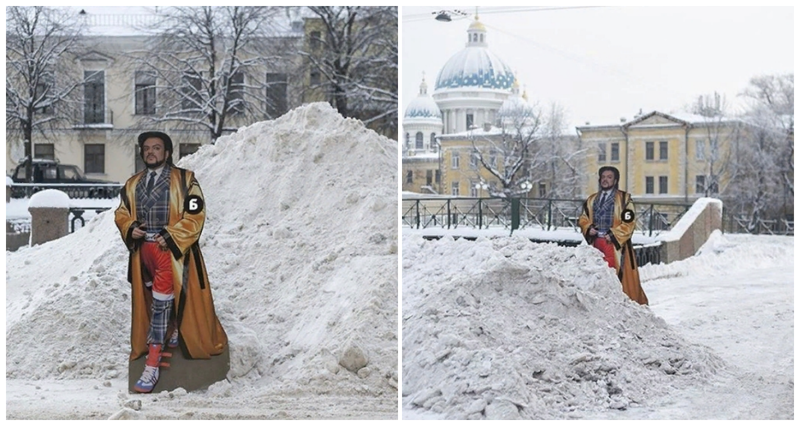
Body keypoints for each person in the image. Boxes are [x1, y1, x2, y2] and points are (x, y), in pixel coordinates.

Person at [114, 131, 227, 393]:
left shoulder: (186, 180)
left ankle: (152, 364)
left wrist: (173, 235)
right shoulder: (132, 184)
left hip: (172, 253)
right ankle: (172, 328)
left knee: (162, 304)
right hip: (143, 254)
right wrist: (130, 227)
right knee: (152, 298)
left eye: (157, 147)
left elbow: (196, 213)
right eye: (147, 148)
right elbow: (121, 213)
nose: (151, 152)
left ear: (167, 152)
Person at [578, 166, 648, 305]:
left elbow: (629, 221)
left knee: (616, 277)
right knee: (596, 275)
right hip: (596, 244)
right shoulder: (591, 200)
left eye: (609, 177)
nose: (605, 180)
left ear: (615, 180)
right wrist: (588, 228)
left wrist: (614, 234)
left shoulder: (624, 199)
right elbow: (583, 218)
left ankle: (620, 305)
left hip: (616, 246)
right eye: (603, 177)